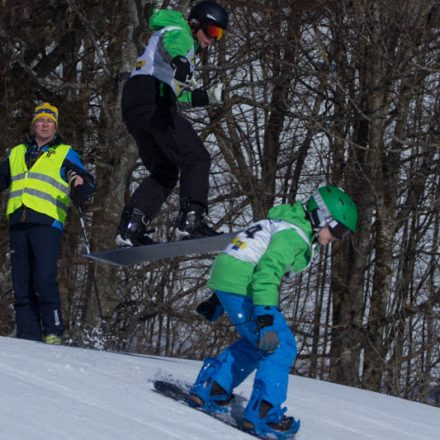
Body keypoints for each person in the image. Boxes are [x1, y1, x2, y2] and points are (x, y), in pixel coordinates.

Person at [189, 185, 358, 438]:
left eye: (343, 234)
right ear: (321, 215)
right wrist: (266, 318)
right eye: (337, 229)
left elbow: (244, 255)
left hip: (230, 277)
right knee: (280, 345)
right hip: (244, 284)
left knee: (259, 344)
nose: (337, 237)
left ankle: (214, 387)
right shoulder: (294, 235)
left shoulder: (281, 222)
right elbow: (267, 272)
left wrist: (218, 299)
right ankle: (264, 413)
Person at [116, 1, 229, 247]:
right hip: (151, 99)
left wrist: (202, 97)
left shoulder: (179, 52)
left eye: (219, 35)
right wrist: (181, 61)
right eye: (212, 31)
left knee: (165, 171)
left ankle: (131, 226)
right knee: (196, 157)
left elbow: (172, 95)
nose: (213, 39)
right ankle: (191, 220)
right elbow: (173, 43)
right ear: (196, 23)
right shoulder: (180, 31)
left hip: (139, 104)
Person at [0, 102, 96, 344]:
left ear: (55, 127)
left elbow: (83, 178)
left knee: (43, 278)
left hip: (46, 222)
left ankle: (53, 331)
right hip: (18, 222)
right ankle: (28, 336)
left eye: (49, 122)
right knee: (21, 283)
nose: (45, 125)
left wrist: (79, 185)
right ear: (34, 125)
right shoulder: (17, 152)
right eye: (41, 121)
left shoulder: (64, 152)